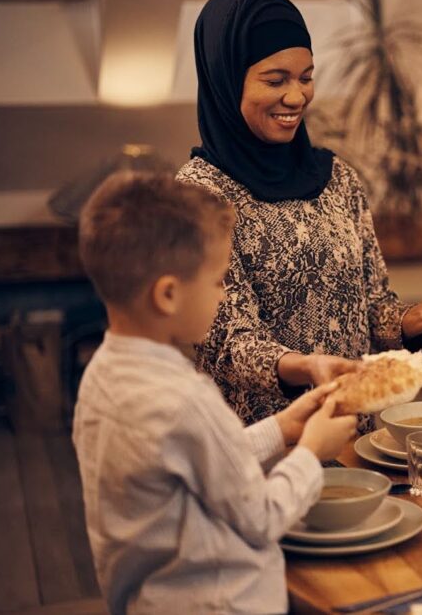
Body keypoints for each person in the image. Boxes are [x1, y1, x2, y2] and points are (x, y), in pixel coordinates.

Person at [177, 0, 422, 428]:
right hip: (258, 452)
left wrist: (418, 317)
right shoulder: (199, 196)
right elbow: (229, 344)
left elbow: (371, 310)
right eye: (275, 80)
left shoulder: (336, 177)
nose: (296, 97)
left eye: (306, 77)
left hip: (350, 434)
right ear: (225, 79)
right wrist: (308, 367)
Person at [73, 171, 357, 613]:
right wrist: (311, 451)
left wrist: (284, 428)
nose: (224, 295)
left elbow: (198, 461)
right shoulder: (186, 398)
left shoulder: (101, 377)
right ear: (168, 295)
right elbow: (262, 516)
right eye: (218, 280)